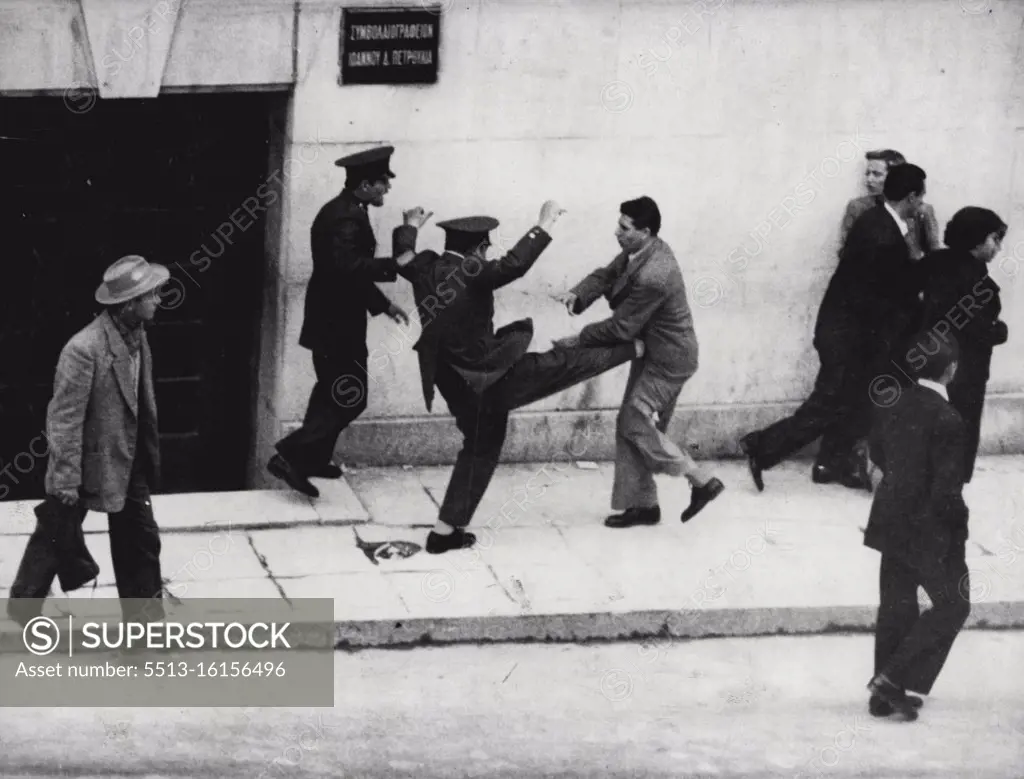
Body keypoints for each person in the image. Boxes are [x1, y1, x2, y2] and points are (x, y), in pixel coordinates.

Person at [396, 204, 641, 554]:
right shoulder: (471, 269)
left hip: (447, 377)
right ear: (477, 249)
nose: (487, 253)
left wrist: (409, 225)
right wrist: (544, 224)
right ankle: (635, 347)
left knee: (481, 445)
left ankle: (444, 532)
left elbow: (403, 255)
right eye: (486, 248)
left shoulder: (426, 267)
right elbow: (514, 265)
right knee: (563, 363)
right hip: (486, 376)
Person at [741, 164, 929, 492]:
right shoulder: (883, 234)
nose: (922, 204)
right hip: (846, 336)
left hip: (847, 331)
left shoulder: (879, 222)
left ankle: (834, 463)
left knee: (852, 400)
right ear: (911, 196)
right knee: (830, 402)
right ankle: (761, 446)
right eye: (920, 197)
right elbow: (881, 294)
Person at [7, 255, 169, 627]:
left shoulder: (138, 335)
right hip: (87, 465)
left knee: (141, 543)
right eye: (151, 295)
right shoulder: (82, 350)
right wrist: (64, 479)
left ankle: (144, 631)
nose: (158, 299)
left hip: (127, 462)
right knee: (55, 535)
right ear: (129, 304)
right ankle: (22, 608)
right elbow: (63, 419)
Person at [268, 145, 432, 498]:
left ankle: (311, 459)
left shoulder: (349, 210)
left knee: (330, 391)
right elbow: (347, 269)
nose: (387, 189)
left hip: (334, 321)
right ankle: (290, 457)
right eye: (382, 184)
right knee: (350, 396)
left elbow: (350, 273)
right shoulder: (345, 218)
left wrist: (383, 305)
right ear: (365, 185)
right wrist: (397, 261)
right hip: (335, 325)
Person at [556, 196, 724, 528]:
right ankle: (643, 506)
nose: (615, 232)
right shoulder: (641, 251)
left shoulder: (655, 273)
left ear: (644, 231)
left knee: (634, 423)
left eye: (623, 227)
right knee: (631, 425)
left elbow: (622, 326)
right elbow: (607, 274)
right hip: (652, 352)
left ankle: (701, 479)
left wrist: (579, 338)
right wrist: (579, 295)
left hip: (670, 361)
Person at [864, 334, 970, 722]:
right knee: (954, 604)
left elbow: (876, 451)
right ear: (952, 369)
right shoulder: (949, 418)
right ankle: (892, 680)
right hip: (929, 529)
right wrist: (959, 527)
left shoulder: (892, 402)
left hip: (891, 518)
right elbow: (946, 492)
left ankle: (881, 691)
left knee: (896, 603)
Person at [921, 207, 1009, 482]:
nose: (998, 247)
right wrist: (1001, 331)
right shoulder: (975, 282)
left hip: (930, 362)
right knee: (960, 429)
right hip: (966, 369)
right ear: (976, 239)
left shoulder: (937, 263)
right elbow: (977, 330)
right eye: (994, 239)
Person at [839, 150, 941, 260]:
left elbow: (934, 252)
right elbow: (846, 252)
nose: (869, 180)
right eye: (867, 173)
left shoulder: (919, 209)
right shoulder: (858, 207)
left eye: (876, 174)